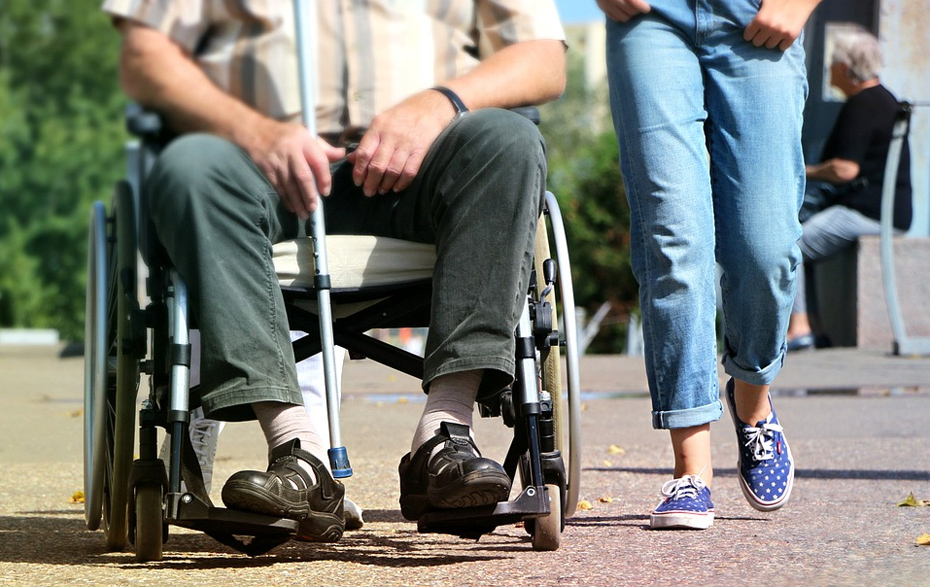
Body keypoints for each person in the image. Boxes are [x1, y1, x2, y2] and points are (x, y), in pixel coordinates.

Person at [101, 0, 566, 543]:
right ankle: (296, 452)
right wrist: (251, 127)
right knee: (190, 167)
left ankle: (445, 433)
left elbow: (542, 58)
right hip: (257, 166)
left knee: (509, 141)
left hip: (426, 163)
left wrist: (441, 102)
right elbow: (146, 55)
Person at [597, 0, 821, 529]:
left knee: (766, 246)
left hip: (757, 13)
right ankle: (691, 471)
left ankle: (752, 402)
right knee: (674, 240)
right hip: (650, 18)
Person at [786, 25, 912, 351]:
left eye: (832, 64)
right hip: (885, 210)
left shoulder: (863, 104)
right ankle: (813, 327)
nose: (828, 70)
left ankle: (800, 327)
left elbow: (844, 170)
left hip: (869, 212)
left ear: (844, 67)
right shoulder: (883, 99)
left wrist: (800, 170)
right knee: (803, 241)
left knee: (792, 244)